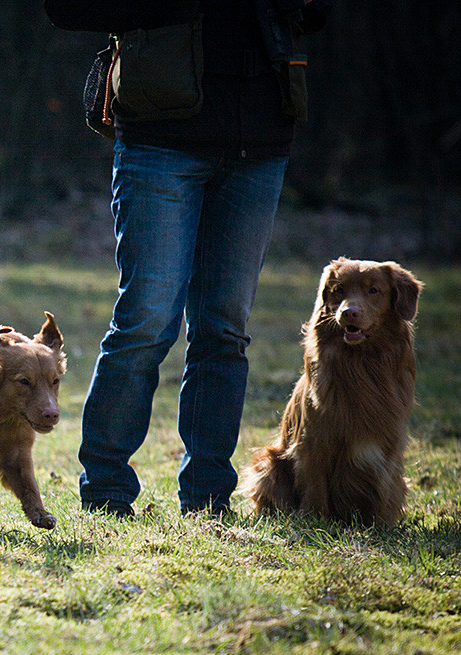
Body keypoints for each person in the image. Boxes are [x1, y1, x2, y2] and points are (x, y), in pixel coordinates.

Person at [44, 0, 331, 516]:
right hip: (161, 140)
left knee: (224, 329)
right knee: (147, 319)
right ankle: (106, 490)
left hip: (261, 139)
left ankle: (207, 497)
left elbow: (316, 13)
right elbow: (64, 9)